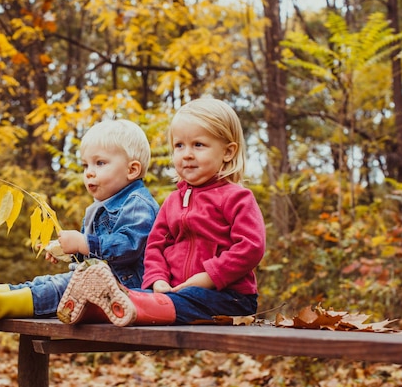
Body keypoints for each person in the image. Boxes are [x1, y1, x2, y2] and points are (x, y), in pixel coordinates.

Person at [57, 98, 266, 326]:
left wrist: (208, 277)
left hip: (229, 297)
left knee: (183, 299)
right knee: (150, 295)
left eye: (198, 145)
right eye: (179, 145)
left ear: (228, 152)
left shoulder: (236, 197)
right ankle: (101, 306)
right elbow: (155, 248)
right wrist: (157, 280)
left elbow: (250, 247)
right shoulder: (172, 202)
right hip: (172, 293)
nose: (186, 154)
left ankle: (112, 306)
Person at [0, 119, 160, 328]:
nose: (89, 172)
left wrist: (83, 242)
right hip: (98, 283)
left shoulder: (137, 204)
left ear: (132, 170)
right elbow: (94, 254)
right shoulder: (99, 205)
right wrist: (68, 251)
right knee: (43, 282)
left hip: (124, 291)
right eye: (86, 165)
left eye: (100, 163)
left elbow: (128, 246)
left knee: (60, 288)